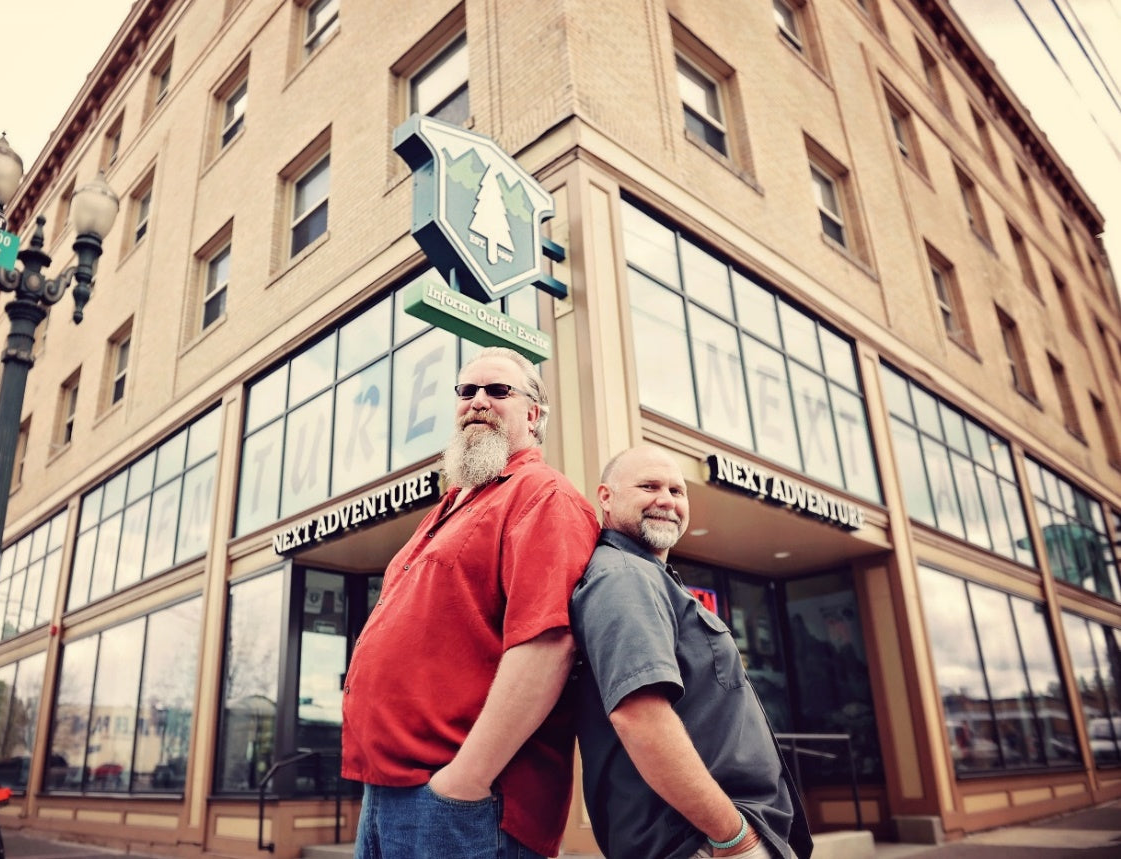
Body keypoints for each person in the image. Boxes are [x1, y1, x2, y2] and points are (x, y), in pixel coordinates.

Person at [342, 346, 600, 859]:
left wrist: (465, 779)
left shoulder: (543, 494)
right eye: (467, 391)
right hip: (388, 790)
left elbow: (548, 644)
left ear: (533, 414)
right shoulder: (451, 505)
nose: (478, 401)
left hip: (464, 804)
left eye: (498, 391)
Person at [571, 445, 813, 859]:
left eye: (677, 491)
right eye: (649, 486)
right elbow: (639, 716)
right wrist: (734, 836)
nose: (667, 500)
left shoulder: (651, 578)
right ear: (606, 497)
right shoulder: (624, 579)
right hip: (698, 843)